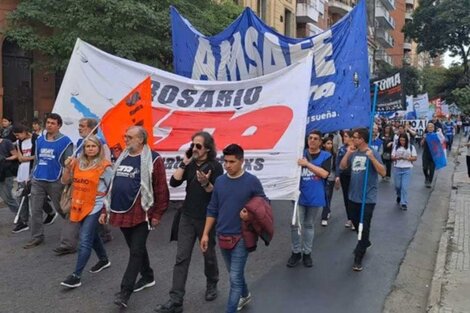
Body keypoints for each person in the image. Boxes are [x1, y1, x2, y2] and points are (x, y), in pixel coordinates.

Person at [100, 126, 169, 308]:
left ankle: (124, 293)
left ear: (140, 140)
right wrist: (105, 210)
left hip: (142, 213)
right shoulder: (122, 156)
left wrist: (157, 214)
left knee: (136, 251)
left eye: (129, 137)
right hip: (121, 210)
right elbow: (113, 185)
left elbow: (161, 189)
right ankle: (147, 276)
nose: (125, 139)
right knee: (135, 248)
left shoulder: (154, 159)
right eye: (125, 136)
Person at [155, 132, 223, 313]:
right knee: (181, 258)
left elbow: (216, 193)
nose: (194, 148)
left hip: (206, 218)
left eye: (198, 146)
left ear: (207, 148)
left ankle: (212, 282)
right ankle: (175, 300)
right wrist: (184, 163)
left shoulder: (215, 167)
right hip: (187, 216)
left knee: (208, 255)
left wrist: (205, 183)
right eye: (193, 144)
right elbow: (174, 182)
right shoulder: (190, 164)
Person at [200, 144, 265, 313]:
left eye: (232, 162)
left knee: (234, 278)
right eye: (225, 161)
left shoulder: (252, 182)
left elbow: (264, 206)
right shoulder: (220, 181)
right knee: (233, 273)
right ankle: (245, 294)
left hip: (242, 237)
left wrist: (250, 216)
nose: (227, 165)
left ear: (242, 161)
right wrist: (205, 234)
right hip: (222, 236)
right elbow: (212, 208)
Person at [53, 118, 113, 256]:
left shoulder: (101, 144)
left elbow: (105, 165)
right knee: (74, 211)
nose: (79, 128)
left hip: (93, 188)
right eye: (79, 126)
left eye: (82, 126)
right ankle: (68, 243)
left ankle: (101, 235)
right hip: (79, 184)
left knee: (87, 212)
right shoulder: (80, 143)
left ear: (92, 128)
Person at [60, 135, 112, 288]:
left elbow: (111, 188)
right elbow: (64, 181)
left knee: (84, 239)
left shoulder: (105, 166)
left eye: (93, 146)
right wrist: (67, 167)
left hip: (95, 206)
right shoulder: (76, 163)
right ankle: (104, 260)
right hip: (78, 205)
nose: (90, 149)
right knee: (91, 234)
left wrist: (105, 210)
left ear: (99, 148)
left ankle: (76, 276)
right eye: (87, 146)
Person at [23, 114, 74, 249]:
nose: (49, 125)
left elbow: (68, 163)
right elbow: (37, 159)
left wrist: (67, 180)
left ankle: (76, 228)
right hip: (38, 179)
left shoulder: (65, 141)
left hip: (55, 180)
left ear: (59, 125)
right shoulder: (39, 140)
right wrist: (31, 175)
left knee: (62, 209)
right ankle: (37, 237)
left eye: (52, 123)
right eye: (48, 122)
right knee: (35, 210)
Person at [339, 128, 386, 271]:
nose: (353, 140)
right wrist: (348, 153)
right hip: (353, 196)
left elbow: (383, 172)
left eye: (355, 137)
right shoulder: (353, 152)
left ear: (362, 139)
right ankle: (365, 241)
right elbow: (342, 166)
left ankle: (358, 257)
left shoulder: (373, 153)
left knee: (363, 226)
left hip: (368, 198)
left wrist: (372, 158)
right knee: (354, 222)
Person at [287, 130, 331, 269]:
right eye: (310, 138)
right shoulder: (300, 153)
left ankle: (307, 253)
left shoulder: (326, 156)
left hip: (314, 195)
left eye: (315, 138)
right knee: (295, 224)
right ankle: (296, 252)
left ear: (320, 142)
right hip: (299, 195)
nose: (312, 140)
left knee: (309, 224)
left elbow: (324, 173)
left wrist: (307, 164)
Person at [391, 134, 417, 210]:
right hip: (397, 168)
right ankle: (399, 195)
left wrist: (408, 158)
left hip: (407, 168)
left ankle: (404, 203)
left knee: (404, 187)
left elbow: (415, 158)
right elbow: (392, 157)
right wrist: (397, 157)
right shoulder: (396, 147)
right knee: (397, 186)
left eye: (404, 140)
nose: (402, 142)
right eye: (401, 140)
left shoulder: (411, 147)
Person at [336, 130, 354, 229]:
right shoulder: (342, 149)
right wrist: (337, 176)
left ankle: (356, 218)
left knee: (354, 197)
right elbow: (338, 162)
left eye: (346, 136)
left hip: (354, 175)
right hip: (344, 175)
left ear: (352, 138)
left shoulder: (356, 149)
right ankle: (350, 218)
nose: (344, 138)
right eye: (344, 136)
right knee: (346, 197)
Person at [0, 135, 19, 217]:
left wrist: (5, 159)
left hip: (7, 173)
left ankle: (20, 214)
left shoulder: (6, 142)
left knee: (8, 198)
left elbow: (16, 155)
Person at [321, 136, 336, 227]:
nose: (330, 145)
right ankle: (327, 210)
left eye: (331, 143)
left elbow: (336, 166)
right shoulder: (321, 154)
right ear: (323, 144)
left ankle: (324, 216)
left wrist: (337, 176)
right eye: (328, 143)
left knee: (328, 196)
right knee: (323, 196)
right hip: (321, 178)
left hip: (331, 177)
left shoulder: (334, 155)